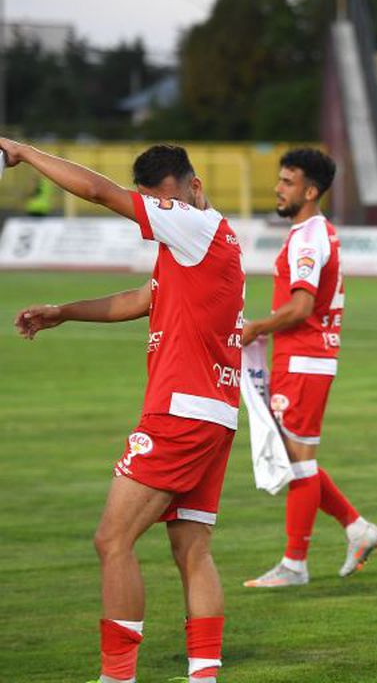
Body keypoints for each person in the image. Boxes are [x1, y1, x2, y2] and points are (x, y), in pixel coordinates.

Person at [6, 139, 241, 683]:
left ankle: (117, 676)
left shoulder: (194, 225)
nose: (162, 213)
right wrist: (65, 311)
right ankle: (203, 675)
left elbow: (96, 190)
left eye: (166, 202)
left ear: (193, 189)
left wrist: (23, 151)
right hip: (214, 412)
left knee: (112, 540)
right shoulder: (201, 245)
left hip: (180, 412)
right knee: (193, 550)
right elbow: (143, 299)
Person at [241, 148, 377, 588]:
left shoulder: (309, 238)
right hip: (301, 358)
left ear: (310, 191)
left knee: (298, 463)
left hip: (304, 358)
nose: (278, 189)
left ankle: (295, 563)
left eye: (287, 182)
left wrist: (256, 327)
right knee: (292, 458)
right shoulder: (310, 232)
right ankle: (358, 530)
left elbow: (302, 306)